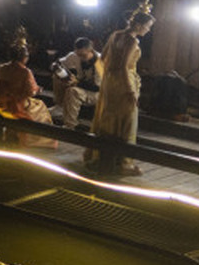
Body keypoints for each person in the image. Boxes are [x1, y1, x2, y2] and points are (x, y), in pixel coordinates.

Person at [90, 11, 155, 173]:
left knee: (108, 117)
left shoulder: (116, 34)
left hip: (110, 82)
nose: (148, 30)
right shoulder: (132, 41)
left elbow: (101, 60)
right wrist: (131, 91)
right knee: (128, 121)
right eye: (147, 27)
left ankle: (100, 158)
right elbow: (125, 67)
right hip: (124, 84)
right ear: (139, 25)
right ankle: (123, 164)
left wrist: (105, 80)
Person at [0, 42, 54, 126]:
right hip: (18, 105)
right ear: (24, 57)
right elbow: (30, 92)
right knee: (41, 107)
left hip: (3, 103)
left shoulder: (2, 68)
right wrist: (38, 90)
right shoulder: (25, 72)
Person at [51, 36, 100, 127]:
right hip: (80, 83)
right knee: (57, 77)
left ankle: (70, 124)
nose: (81, 58)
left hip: (97, 93)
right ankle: (60, 106)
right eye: (79, 55)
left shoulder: (100, 62)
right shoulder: (74, 55)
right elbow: (57, 63)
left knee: (73, 91)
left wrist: (77, 83)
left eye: (83, 55)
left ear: (91, 50)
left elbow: (98, 87)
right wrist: (58, 70)